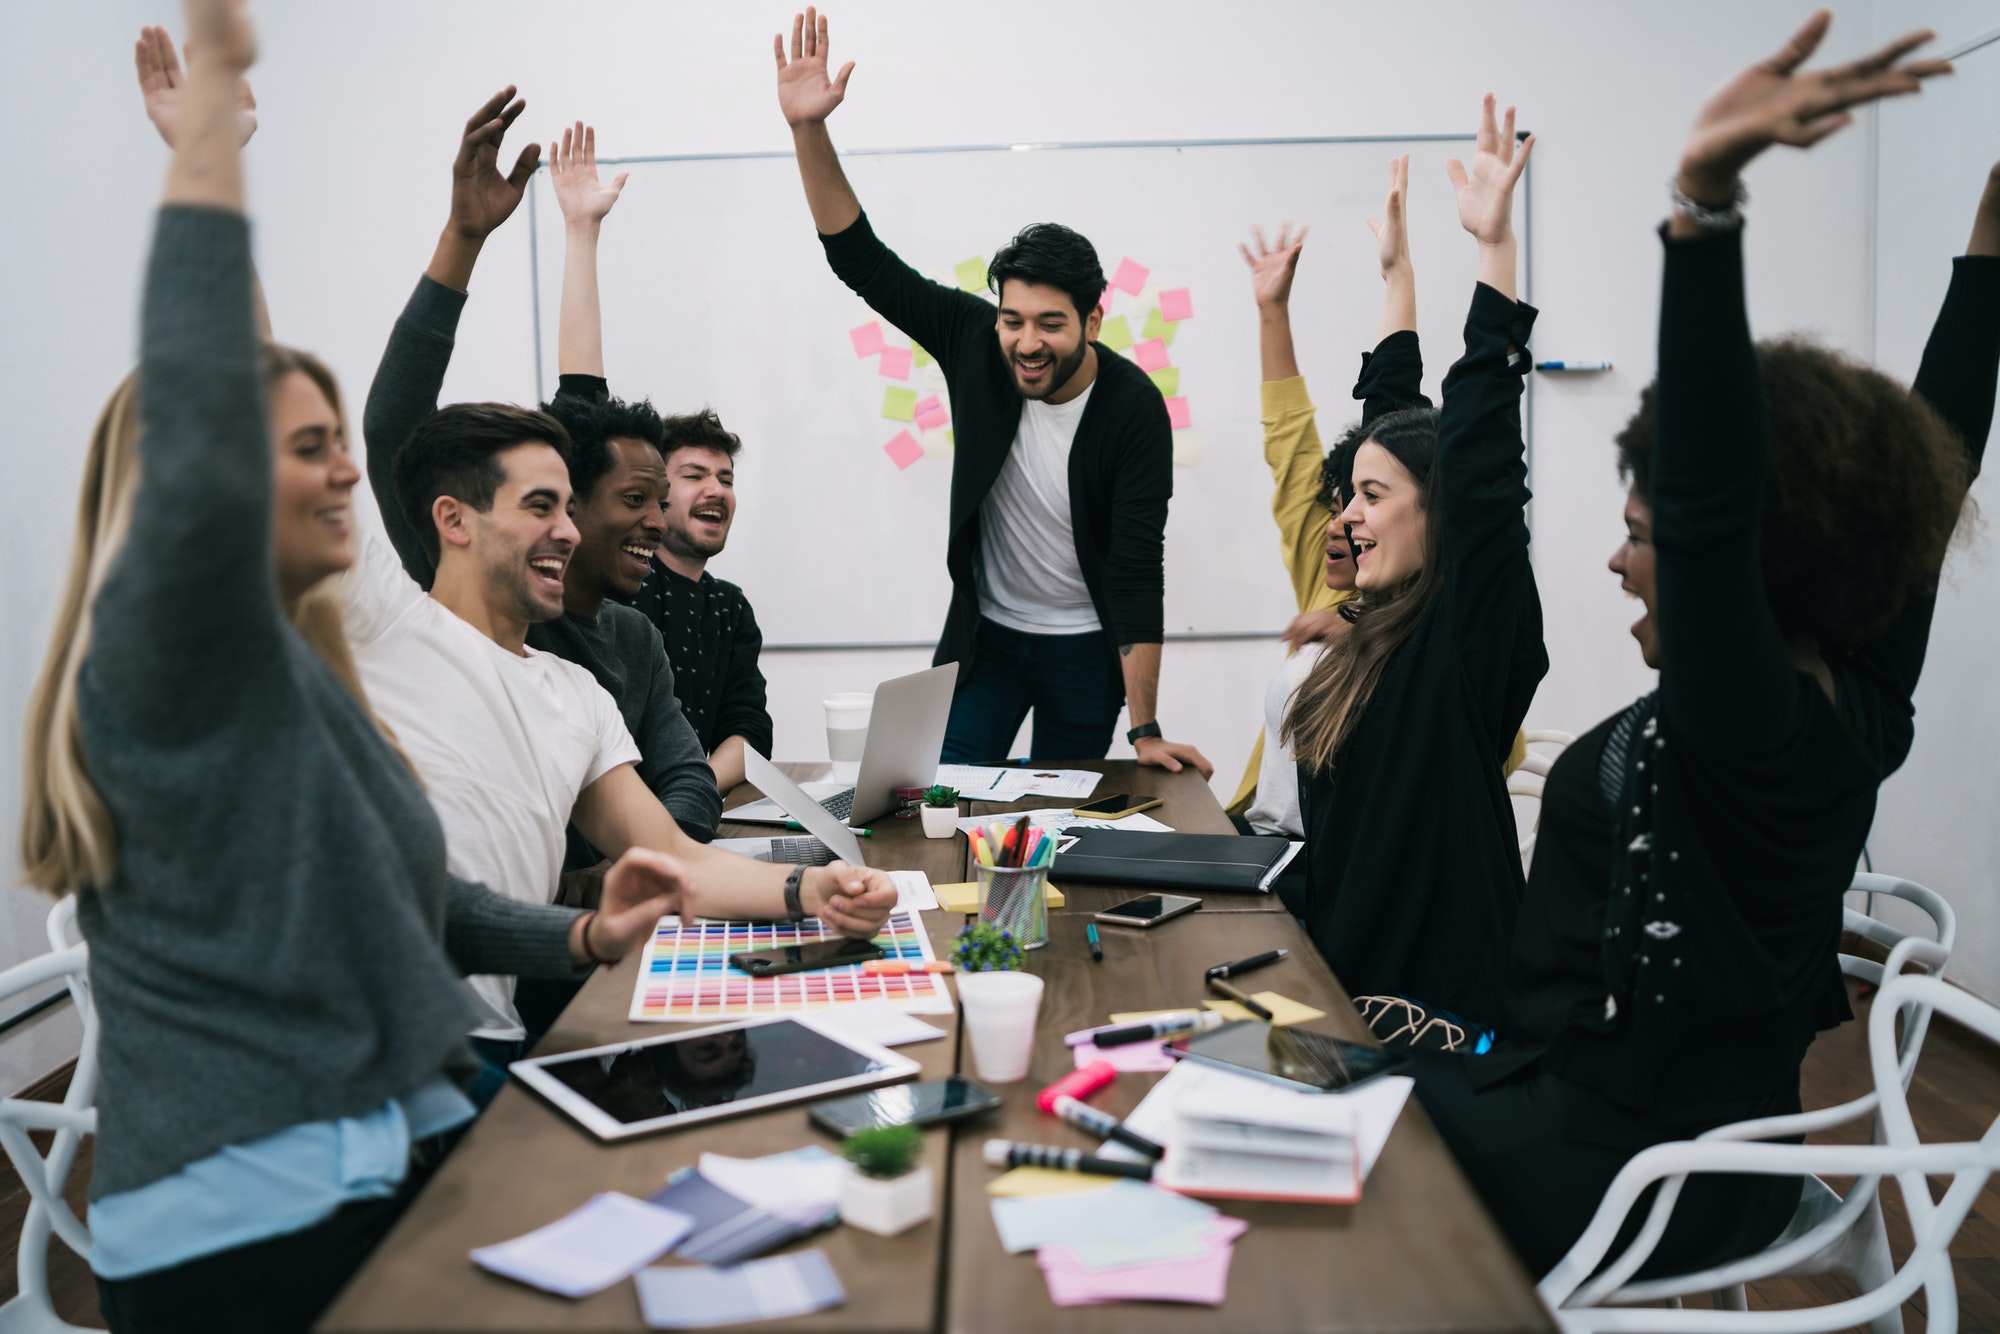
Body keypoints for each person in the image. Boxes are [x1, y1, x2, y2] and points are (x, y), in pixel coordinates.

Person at [17, 11, 689, 1328]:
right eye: (311, 447)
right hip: (249, 1224)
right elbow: (220, 396)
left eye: (340, 441)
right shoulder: (160, 670)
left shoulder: (304, 672)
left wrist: (582, 931)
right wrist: (208, 142)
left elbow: (424, 894)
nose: (349, 470)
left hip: (390, 1151)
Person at [1412, 17, 1980, 1279]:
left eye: (1638, 534)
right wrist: (1985, 250)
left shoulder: (1747, 726)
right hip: (1659, 1134)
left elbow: (1713, 509)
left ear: (1742, 562)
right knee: (1297, 1070)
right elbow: (1940, 451)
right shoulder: (1857, 686)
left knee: (1276, 1134)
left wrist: (1702, 205)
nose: (1619, 560)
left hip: (1631, 1174)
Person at [353, 89, 897, 1087]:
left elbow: (675, 854)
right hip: (363, 1040)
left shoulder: (580, 693)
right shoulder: (389, 617)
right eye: (543, 505)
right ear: (452, 519)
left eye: (572, 505)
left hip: (483, 1037)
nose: (570, 527)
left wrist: (815, 884)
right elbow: (391, 426)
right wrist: (465, 239)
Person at [775, 8, 1211, 775]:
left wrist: (1146, 728)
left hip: (1085, 648)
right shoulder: (975, 342)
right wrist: (809, 131)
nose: (1027, 343)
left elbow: (1139, 568)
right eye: (1013, 320)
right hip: (989, 639)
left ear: (1093, 321)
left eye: (1051, 324)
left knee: (1058, 822)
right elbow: (862, 261)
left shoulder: (1134, 409)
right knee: (932, 798)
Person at [1282, 95, 1547, 1035]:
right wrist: (1395, 280)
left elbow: (1477, 461)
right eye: (1349, 495)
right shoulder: (1371, 631)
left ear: (1445, 518)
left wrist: (1492, 254)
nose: (1347, 518)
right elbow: (1394, 415)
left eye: (1373, 499)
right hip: (1338, 981)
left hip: (1434, 1022)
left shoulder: (1466, 640)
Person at [541, 122, 776, 796]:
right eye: (692, 476)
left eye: (726, 478)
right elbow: (580, 398)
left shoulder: (718, 612)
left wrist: (686, 792)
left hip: (678, 820)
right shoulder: (604, 594)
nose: (714, 491)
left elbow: (747, 734)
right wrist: (581, 235)